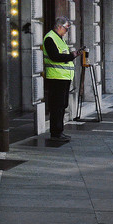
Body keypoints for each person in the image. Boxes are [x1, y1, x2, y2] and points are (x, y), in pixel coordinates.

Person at [42, 16, 77, 144]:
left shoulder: (59, 39)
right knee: (57, 106)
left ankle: (59, 131)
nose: (67, 31)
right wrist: (71, 56)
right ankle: (55, 133)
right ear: (59, 26)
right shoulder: (50, 38)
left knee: (62, 105)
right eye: (66, 28)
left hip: (63, 77)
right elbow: (55, 56)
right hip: (55, 77)